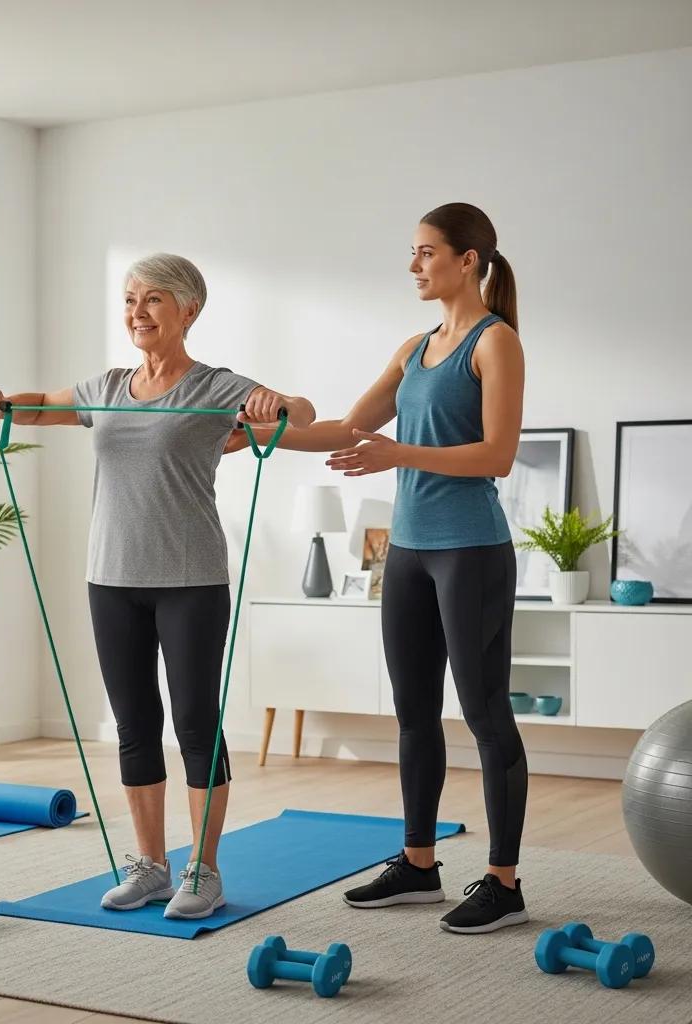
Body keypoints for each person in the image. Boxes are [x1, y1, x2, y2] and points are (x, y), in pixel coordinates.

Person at [0, 253, 316, 920]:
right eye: (130, 299)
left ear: (188, 310)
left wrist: (277, 402)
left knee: (195, 725)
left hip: (190, 580)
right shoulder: (107, 386)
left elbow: (298, 412)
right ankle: (151, 865)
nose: (137, 310)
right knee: (134, 726)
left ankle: (203, 871)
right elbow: (41, 407)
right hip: (112, 579)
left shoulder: (215, 386)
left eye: (153, 299)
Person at [226, 203, 529, 933]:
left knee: (485, 712)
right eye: (413, 252)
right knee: (413, 712)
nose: (414, 264)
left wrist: (399, 455)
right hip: (411, 552)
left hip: (470, 549)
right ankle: (419, 864)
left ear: (467, 260)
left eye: (427, 252)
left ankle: (503, 881)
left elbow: (496, 455)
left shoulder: (496, 344)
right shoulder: (413, 347)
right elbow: (345, 428)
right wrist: (255, 435)